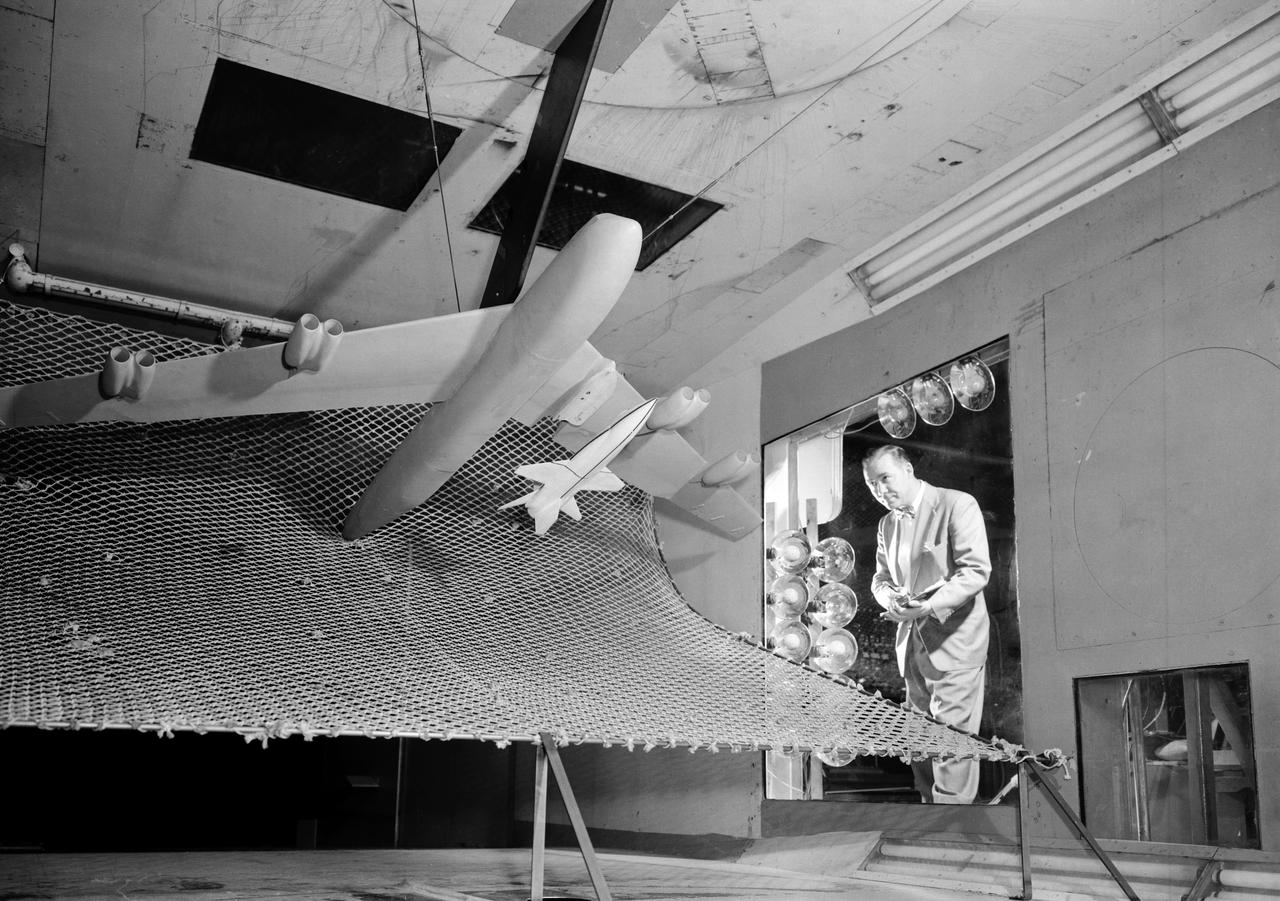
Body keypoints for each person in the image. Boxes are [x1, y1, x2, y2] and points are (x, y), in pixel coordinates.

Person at [863, 445, 991, 804]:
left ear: (907, 468)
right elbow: (880, 579)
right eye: (872, 484)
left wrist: (922, 608)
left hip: (955, 642)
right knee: (919, 742)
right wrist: (889, 598)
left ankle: (949, 830)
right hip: (913, 648)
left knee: (951, 743)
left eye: (885, 478)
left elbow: (976, 572)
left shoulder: (957, 504)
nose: (879, 490)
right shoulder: (886, 524)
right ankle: (929, 818)